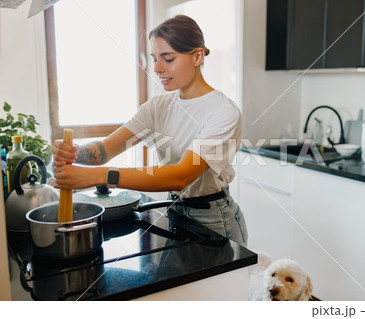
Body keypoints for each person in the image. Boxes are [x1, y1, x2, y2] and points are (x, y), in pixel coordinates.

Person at [52, 15, 248, 246]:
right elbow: (105, 149)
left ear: (197, 56)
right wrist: (74, 153)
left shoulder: (223, 112)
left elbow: (180, 176)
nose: (156, 68)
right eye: (155, 58)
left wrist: (97, 176)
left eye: (168, 58)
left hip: (214, 221)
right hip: (174, 211)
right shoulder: (158, 107)